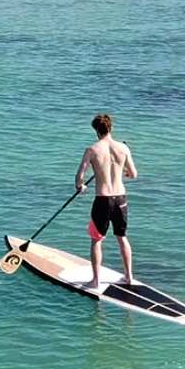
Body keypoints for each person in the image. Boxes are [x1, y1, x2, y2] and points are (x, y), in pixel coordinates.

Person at [75, 112, 139, 288]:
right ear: (111, 128)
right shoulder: (123, 148)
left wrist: (81, 186)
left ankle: (95, 280)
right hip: (120, 199)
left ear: (96, 130)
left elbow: (79, 177)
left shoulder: (92, 150)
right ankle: (129, 277)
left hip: (103, 200)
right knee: (122, 237)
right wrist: (121, 172)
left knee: (97, 240)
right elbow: (133, 174)